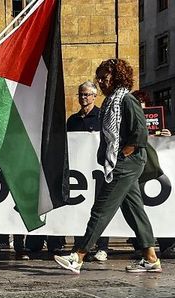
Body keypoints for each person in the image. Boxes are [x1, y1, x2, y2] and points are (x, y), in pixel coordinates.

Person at [54, 58, 161, 275]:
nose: (101, 81)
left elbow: (140, 133)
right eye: (99, 78)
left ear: (117, 76)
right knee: (134, 211)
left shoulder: (127, 100)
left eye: (105, 77)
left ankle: (79, 255)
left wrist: (122, 155)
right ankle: (151, 258)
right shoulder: (112, 101)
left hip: (126, 163)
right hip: (121, 163)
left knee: (101, 209)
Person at [65, 80, 106, 261]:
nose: (83, 98)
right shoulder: (72, 120)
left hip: (97, 171)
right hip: (79, 172)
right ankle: (79, 244)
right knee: (79, 208)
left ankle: (102, 246)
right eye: (81, 94)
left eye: (87, 94)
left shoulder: (101, 117)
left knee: (100, 207)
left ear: (94, 96)